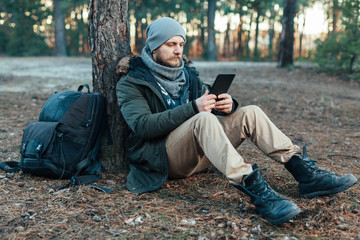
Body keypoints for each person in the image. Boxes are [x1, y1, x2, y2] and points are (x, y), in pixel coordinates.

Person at [116, 17, 357, 225]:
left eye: (181, 44)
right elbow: (142, 126)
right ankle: (257, 191)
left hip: (198, 153)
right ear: (154, 47)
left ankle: (304, 174)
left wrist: (228, 105)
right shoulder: (133, 82)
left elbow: (207, 101)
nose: (178, 50)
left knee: (249, 112)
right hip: (161, 159)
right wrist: (194, 108)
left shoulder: (187, 74)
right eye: (171, 45)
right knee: (202, 118)